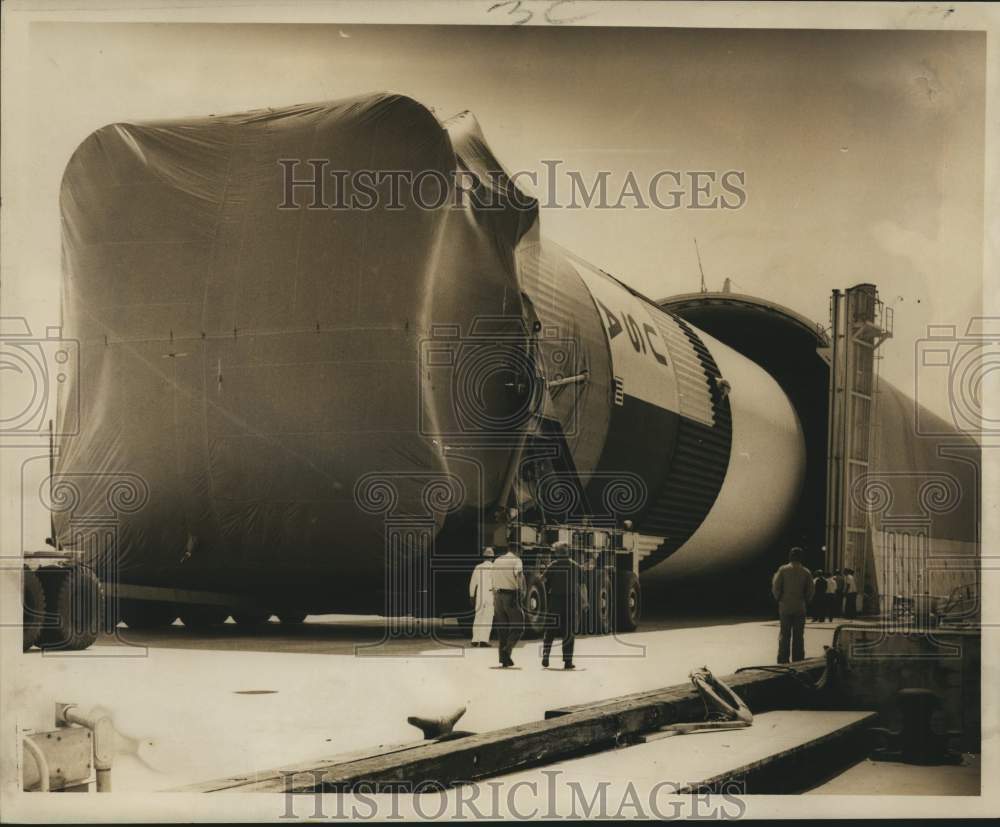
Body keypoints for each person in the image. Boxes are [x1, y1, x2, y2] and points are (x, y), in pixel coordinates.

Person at [540, 542, 582, 670]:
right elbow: (582, 585)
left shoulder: (553, 565)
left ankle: (546, 655)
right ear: (567, 552)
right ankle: (568, 662)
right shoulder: (575, 566)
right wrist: (584, 601)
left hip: (555, 602)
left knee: (550, 631)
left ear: (557, 553)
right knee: (568, 632)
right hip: (570, 602)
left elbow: (542, 580)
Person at [771, 547, 815, 664]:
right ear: (801, 558)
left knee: (784, 634)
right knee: (798, 635)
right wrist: (806, 601)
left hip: (785, 606)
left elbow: (776, 586)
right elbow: (811, 590)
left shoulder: (783, 570)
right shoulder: (806, 572)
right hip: (800, 606)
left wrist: (779, 599)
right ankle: (798, 660)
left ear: (790, 556)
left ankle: (783, 659)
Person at [491, 543, 525, 667]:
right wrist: (521, 591)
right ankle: (507, 649)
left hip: (497, 596)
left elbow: (492, 577)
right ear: (517, 550)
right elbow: (519, 575)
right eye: (521, 551)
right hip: (510, 596)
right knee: (519, 626)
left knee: (502, 629)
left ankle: (504, 659)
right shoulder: (516, 560)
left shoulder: (497, 560)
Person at [468, 547, 495, 647]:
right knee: (488, 617)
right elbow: (496, 583)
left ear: (484, 557)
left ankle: (475, 639)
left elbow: (472, 583)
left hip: (479, 595)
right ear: (492, 558)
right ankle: (484, 640)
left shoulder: (478, 567)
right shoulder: (495, 568)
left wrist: (471, 596)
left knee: (478, 616)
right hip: (490, 595)